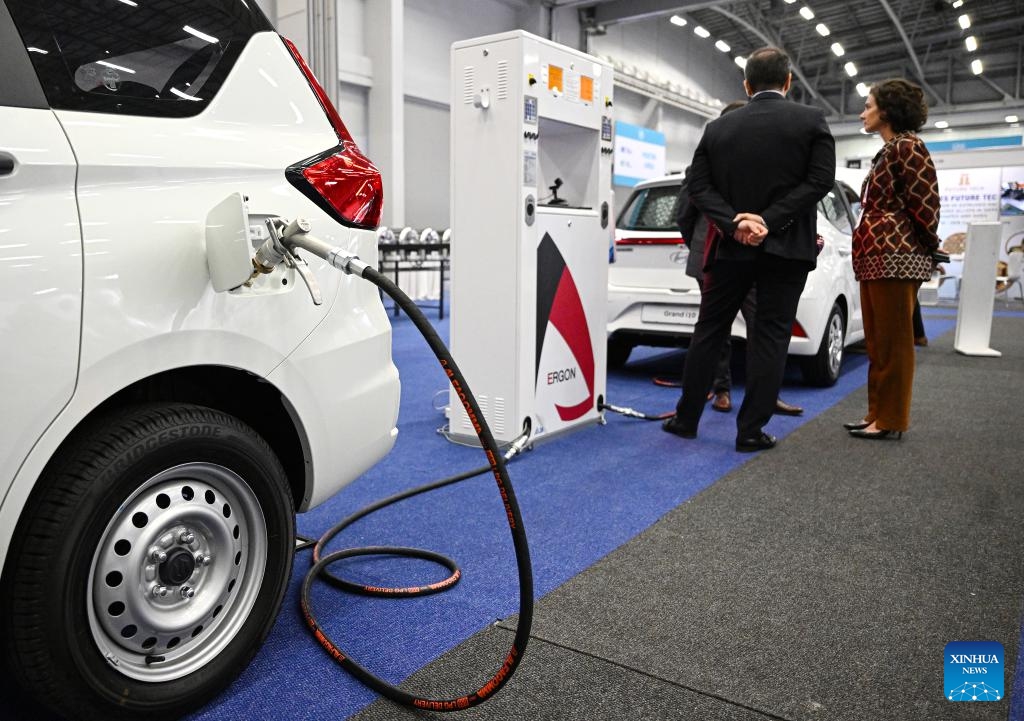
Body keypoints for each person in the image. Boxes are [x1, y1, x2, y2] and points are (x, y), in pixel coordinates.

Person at [662, 46, 835, 452]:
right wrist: (770, 221)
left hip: (730, 248)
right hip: (787, 249)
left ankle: (686, 420)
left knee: (709, 330)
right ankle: (750, 432)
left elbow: (698, 187)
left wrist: (736, 221)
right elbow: (820, 181)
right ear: (788, 81)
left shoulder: (718, 128)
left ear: (746, 84)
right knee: (770, 337)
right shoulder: (811, 121)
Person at [675, 100, 804, 418]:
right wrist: (700, 245)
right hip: (714, 255)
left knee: (753, 327)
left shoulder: (745, 164)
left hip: (752, 257)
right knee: (720, 330)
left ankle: (760, 395)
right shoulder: (705, 167)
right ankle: (721, 390)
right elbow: (684, 213)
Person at [844, 78, 940, 440]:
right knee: (877, 342)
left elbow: (926, 203)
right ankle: (876, 414)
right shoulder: (890, 149)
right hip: (876, 258)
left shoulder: (909, 147)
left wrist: (929, 246)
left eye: (868, 106)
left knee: (894, 342)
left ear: (886, 111)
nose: (862, 112)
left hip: (896, 259)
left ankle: (891, 418)